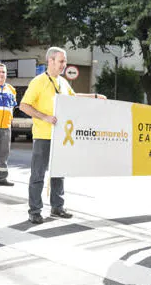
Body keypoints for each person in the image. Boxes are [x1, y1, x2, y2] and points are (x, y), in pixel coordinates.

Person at [20, 47, 106, 224]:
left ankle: (57, 207)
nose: (64, 65)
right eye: (61, 61)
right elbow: (24, 106)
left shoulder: (63, 82)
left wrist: (94, 96)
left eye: (65, 61)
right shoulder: (38, 82)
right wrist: (45, 117)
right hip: (43, 136)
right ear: (50, 61)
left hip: (60, 136)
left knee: (59, 173)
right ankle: (34, 211)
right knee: (38, 174)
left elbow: (73, 98)